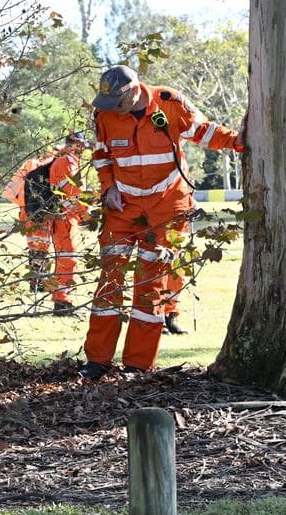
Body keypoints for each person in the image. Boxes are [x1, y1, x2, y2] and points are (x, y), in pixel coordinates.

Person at [79, 65, 243, 379]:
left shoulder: (169, 103)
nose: (114, 109)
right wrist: (108, 188)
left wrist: (238, 140)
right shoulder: (105, 115)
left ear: (133, 90)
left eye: (117, 103)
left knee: (150, 283)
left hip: (167, 206)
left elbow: (204, 132)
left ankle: (137, 365)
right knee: (109, 278)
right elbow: (101, 156)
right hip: (123, 205)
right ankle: (97, 362)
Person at [3, 132, 90, 315]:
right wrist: (85, 214)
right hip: (63, 217)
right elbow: (71, 193)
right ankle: (61, 300)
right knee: (66, 258)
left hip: (42, 214)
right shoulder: (66, 162)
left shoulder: (52, 162)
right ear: (76, 145)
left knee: (47, 252)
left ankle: (54, 294)